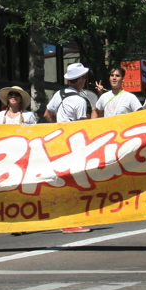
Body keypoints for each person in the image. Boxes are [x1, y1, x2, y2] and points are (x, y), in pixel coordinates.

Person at [43, 62, 96, 233]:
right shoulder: (80, 101)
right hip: (73, 146)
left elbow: (46, 114)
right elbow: (81, 128)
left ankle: (65, 218)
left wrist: (57, 128)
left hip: (59, 144)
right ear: (80, 80)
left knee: (64, 181)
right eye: (84, 77)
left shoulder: (60, 94)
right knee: (75, 182)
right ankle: (70, 221)